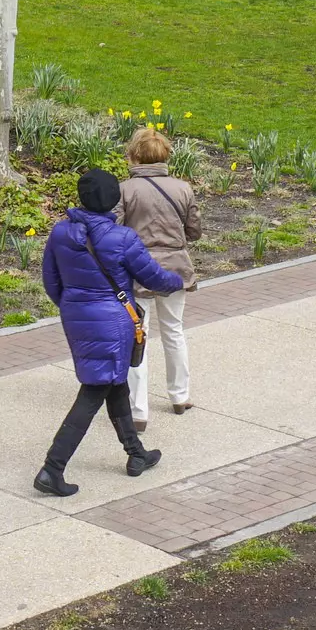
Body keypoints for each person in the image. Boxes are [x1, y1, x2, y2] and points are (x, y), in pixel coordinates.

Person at [34, 168, 185, 497]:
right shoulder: (122, 238)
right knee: (94, 390)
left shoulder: (60, 232)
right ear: (114, 200)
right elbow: (154, 278)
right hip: (114, 321)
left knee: (114, 382)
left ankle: (136, 453)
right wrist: (179, 280)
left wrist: (74, 306)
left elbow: (51, 280)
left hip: (76, 316)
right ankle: (52, 468)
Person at [114, 127, 202, 428]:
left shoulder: (125, 190)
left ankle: (138, 410)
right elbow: (194, 231)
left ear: (135, 155)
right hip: (176, 268)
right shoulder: (183, 188)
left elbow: (114, 230)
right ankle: (180, 396)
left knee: (137, 336)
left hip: (137, 269)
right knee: (174, 331)